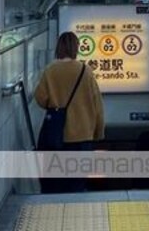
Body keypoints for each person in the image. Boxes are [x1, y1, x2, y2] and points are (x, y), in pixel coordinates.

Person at [34, 31, 104, 192]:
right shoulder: (86, 71)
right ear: (75, 48)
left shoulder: (50, 70)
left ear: (59, 47)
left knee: (54, 184)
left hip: (56, 137)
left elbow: (40, 98)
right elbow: (97, 105)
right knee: (77, 183)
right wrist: (98, 132)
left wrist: (55, 103)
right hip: (82, 138)